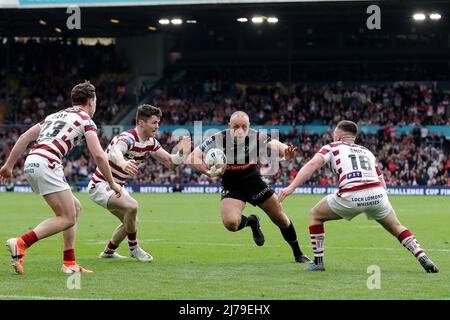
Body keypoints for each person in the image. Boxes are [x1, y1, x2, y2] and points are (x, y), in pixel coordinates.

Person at [278, 120, 439, 273]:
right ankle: (423, 256)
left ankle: (318, 262)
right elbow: (382, 182)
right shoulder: (367, 151)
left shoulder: (332, 147)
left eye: (335, 134)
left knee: (316, 215)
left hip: (351, 194)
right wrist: (378, 202)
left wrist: (291, 187)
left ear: (339, 135)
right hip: (377, 194)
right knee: (397, 226)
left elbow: (313, 164)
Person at [0, 81, 122, 275]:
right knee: (67, 217)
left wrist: (8, 166)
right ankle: (21, 242)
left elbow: (24, 138)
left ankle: (69, 262)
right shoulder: (86, 121)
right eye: (96, 100)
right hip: (48, 162)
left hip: (32, 161)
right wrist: (112, 182)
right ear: (91, 101)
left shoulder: (53, 116)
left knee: (74, 209)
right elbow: (98, 155)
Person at [187, 111, 311, 263]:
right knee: (231, 223)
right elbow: (192, 157)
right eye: (236, 126)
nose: (240, 130)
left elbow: (277, 145)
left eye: (244, 127)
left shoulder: (256, 136)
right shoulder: (218, 138)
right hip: (231, 184)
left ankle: (298, 254)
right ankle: (252, 221)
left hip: (253, 181)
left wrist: (287, 152)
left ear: (249, 127)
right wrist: (208, 172)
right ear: (229, 126)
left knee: (280, 219)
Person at [90, 104, 191, 262]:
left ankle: (108, 252)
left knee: (131, 221)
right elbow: (117, 151)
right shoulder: (127, 138)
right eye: (154, 122)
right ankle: (134, 248)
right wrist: (123, 162)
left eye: (158, 122)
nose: (157, 126)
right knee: (132, 206)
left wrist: (181, 153)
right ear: (141, 123)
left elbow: (170, 163)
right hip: (102, 184)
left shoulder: (151, 143)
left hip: (118, 186)